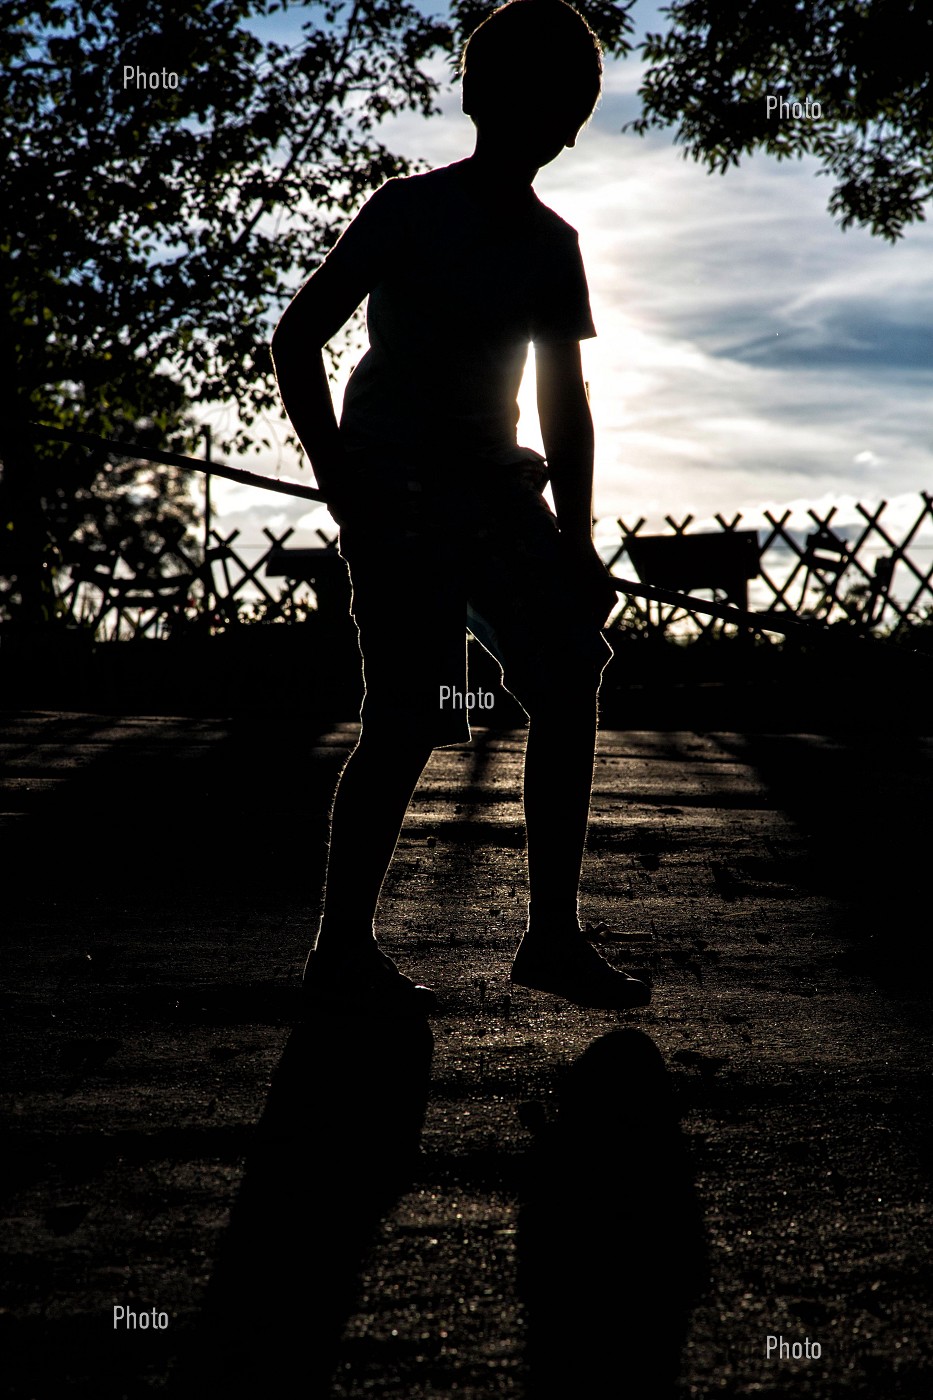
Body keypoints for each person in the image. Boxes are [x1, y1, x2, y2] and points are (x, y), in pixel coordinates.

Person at [271, 0, 650, 1015]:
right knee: (407, 718)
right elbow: (298, 336)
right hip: (397, 506)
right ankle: (341, 944)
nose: (552, 122)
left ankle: (553, 935)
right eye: (542, 98)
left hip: (495, 498)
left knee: (569, 671)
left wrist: (575, 544)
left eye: (564, 105)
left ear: (571, 126)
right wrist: (340, 476)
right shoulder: (405, 209)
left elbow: (565, 406)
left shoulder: (550, 243)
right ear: (487, 100)